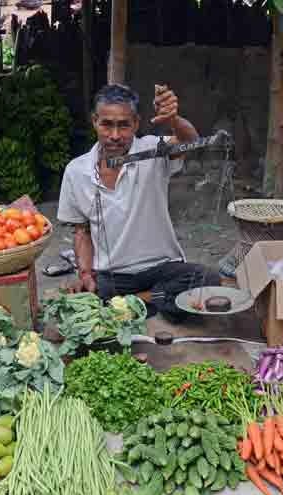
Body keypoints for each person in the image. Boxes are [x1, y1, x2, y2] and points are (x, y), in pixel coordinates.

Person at [56, 83, 221, 320]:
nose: (114, 136)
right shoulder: (76, 171)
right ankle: (154, 301)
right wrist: (85, 275)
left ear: (135, 123)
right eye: (107, 124)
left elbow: (192, 143)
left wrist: (173, 119)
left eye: (123, 125)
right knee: (85, 299)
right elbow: (81, 232)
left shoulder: (153, 151)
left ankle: (133, 303)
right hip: (113, 275)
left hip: (161, 268)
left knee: (207, 280)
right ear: (95, 121)